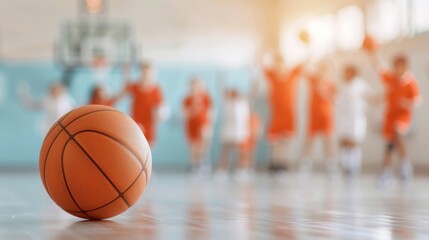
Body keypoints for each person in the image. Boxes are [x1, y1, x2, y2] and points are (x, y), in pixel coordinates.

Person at [364, 37, 421, 186]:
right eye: (396, 66)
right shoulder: (390, 78)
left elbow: (417, 101)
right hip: (389, 117)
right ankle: (386, 172)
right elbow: (378, 66)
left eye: (402, 66)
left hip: (403, 117)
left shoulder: (410, 82)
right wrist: (373, 51)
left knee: (397, 132)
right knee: (389, 145)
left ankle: (404, 165)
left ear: (406, 67)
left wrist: (406, 102)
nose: (399, 69)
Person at [261, 53, 304, 174]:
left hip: (289, 113)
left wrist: (306, 45)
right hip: (276, 113)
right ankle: (274, 163)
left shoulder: (292, 74)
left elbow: (305, 62)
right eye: (277, 63)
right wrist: (266, 52)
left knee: (285, 139)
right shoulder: (273, 75)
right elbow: (261, 63)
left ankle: (282, 162)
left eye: (282, 63)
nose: (280, 66)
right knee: (274, 139)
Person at [336, 65, 377, 178]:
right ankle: (345, 166)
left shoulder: (359, 83)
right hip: (344, 117)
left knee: (353, 142)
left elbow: (371, 96)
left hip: (356, 117)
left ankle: (354, 166)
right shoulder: (342, 85)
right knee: (343, 141)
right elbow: (338, 100)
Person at [299, 60, 337, 178]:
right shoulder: (314, 79)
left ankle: (331, 166)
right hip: (314, 116)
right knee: (309, 140)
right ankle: (305, 165)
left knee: (328, 141)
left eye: (325, 69)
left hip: (326, 116)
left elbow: (335, 99)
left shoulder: (331, 84)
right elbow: (303, 71)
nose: (323, 71)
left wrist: (324, 93)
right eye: (321, 68)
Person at [125, 63, 164, 146]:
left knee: (148, 149)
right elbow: (125, 90)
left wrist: (160, 114)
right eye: (144, 72)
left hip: (149, 124)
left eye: (148, 73)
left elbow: (161, 107)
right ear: (140, 73)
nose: (146, 75)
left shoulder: (156, 90)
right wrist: (126, 73)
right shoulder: (134, 87)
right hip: (136, 122)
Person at [215, 88, 250, 180]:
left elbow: (244, 118)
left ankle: (241, 170)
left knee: (241, 152)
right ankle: (222, 170)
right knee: (225, 151)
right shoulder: (226, 104)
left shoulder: (242, 104)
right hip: (228, 131)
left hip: (240, 131)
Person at [183, 77, 213, 177]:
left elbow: (210, 111)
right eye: (193, 86)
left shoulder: (205, 98)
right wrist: (192, 110)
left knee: (204, 139)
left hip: (203, 123)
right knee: (194, 148)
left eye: (197, 86)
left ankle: (203, 160)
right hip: (192, 125)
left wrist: (210, 124)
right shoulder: (187, 100)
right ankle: (194, 166)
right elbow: (185, 114)